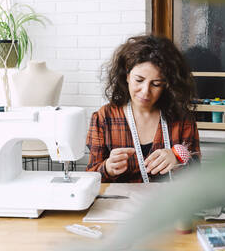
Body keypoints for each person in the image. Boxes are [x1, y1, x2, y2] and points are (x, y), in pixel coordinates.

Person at [86, 35, 201, 183]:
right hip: (121, 205)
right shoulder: (104, 118)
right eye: (139, 80)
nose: (145, 91)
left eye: (156, 84)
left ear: (167, 84)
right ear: (126, 76)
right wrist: (107, 168)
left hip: (171, 204)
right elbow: (90, 176)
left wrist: (178, 158)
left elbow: (197, 172)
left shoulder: (182, 118)